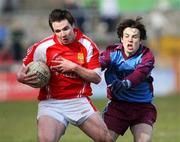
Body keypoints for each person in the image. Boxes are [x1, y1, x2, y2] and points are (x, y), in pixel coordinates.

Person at [16, 9, 113, 142]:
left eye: (65, 29)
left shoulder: (87, 45)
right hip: (51, 102)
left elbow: (96, 78)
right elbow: (22, 71)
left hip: (78, 100)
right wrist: (21, 77)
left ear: (73, 25)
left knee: (106, 139)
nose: (62, 34)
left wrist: (74, 67)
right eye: (58, 31)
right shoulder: (43, 47)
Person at [100, 17, 157, 142]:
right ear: (121, 38)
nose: (130, 40)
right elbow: (97, 65)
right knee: (104, 140)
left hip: (142, 107)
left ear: (141, 40)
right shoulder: (112, 53)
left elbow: (140, 74)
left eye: (135, 37)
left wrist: (125, 83)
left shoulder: (147, 56)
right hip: (117, 106)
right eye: (126, 36)